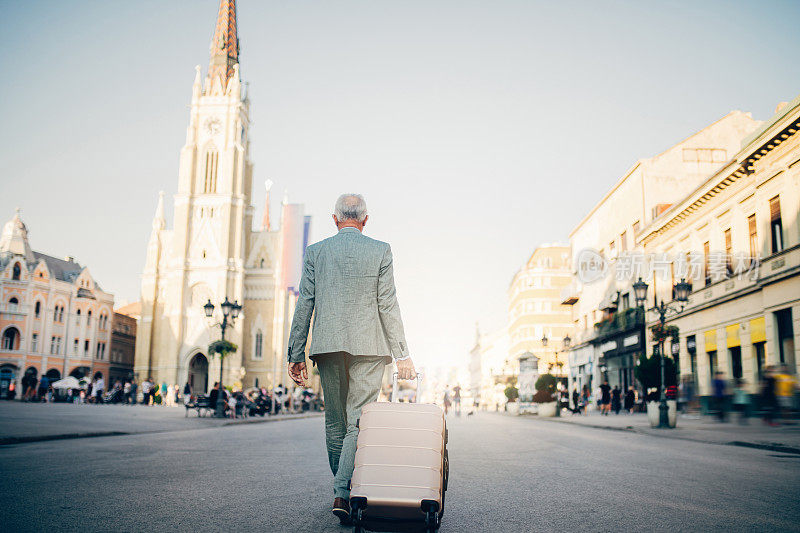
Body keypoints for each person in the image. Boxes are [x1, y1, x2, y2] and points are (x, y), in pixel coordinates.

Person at [286, 193, 414, 525]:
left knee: (334, 421)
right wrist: (402, 354)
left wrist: (295, 353)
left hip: (327, 345)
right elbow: (388, 304)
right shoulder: (381, 250)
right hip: (370, 346)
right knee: (357, 421)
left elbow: (304, 305)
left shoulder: (315, 252)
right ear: (365, 220)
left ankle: (341, 489)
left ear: (334, 219)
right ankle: (344, 489)